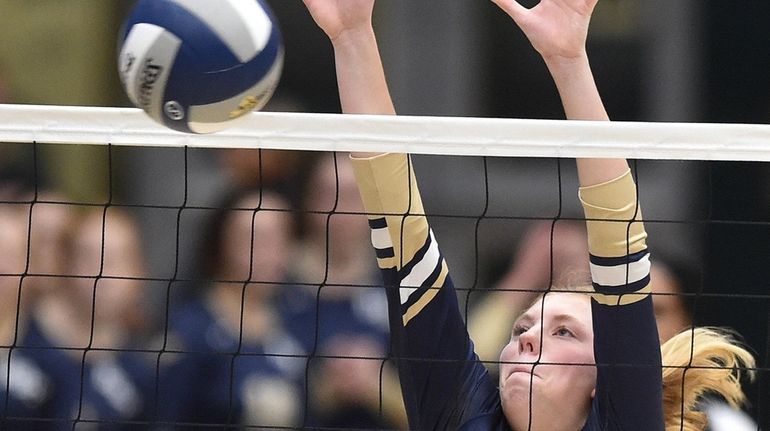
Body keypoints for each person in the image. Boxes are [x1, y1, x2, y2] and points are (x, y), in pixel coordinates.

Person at [301, 0, 755, 430]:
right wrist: (353, 35)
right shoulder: (461, 414)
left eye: (564, 333)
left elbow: (619, 237)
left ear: (606, 379)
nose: (525, 340)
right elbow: (400, 232)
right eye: (522, 327)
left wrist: (569, 61)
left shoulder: (626, 421)